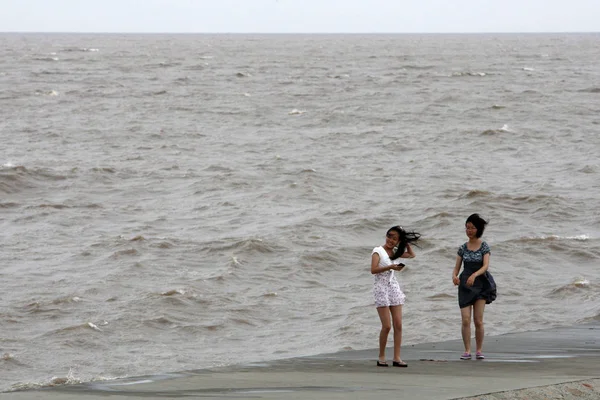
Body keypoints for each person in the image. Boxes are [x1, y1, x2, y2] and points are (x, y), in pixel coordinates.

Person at [371, 225, 421, 367]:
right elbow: (373, 270)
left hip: (393, 287)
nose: (390, 240)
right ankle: (381, 356)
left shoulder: (394, 252)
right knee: (386, 326)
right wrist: (390, 267)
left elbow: (412, 255)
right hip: (381, 289)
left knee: (398, 324)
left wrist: (405, 244)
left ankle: (397, 357)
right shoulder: (378, 251)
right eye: (389, 236)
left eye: (394, 239)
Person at [452, 213, 495, 360]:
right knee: (465, 319)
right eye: (467, 228)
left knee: (478, 320)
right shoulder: (463, 248)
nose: (469, 230)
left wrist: (474, 275)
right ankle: (467, 350)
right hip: (465, 284)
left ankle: (479, 350)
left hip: (481, 283)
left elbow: (485, 266)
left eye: (472, 228)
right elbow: (457, 267)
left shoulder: (484, 246)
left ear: (478, 229)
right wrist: (454, 276)